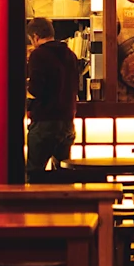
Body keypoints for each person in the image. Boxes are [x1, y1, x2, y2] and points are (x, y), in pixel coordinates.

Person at [26, 17, 79, 175]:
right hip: (67, 121)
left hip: (45, 121)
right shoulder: (70, 54)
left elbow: (36, 89)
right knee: (63, 174)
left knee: (34, 173)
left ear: (35, 36)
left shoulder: (38, 55)